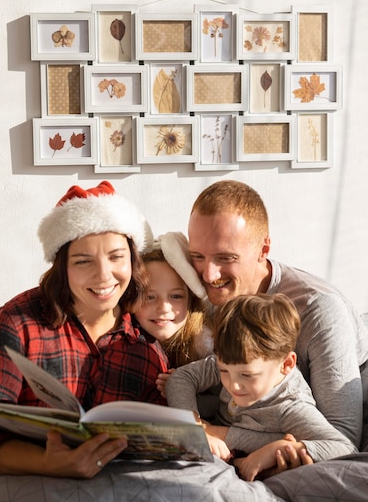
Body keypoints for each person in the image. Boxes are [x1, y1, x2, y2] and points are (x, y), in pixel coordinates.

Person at [0, 181, 169, 483]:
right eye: (83, 261)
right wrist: (47, 464)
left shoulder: (146, 341)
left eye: (116, 257)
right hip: (23, 483)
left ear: (133, 261)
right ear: (62, 267)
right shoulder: (18, 323)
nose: (104, 275)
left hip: (119, 492)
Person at [174, 179, 368, 453]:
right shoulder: (202, 291)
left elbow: (342, 437)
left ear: (263, 250)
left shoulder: (318, 309)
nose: (209, 275)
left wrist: (218, 433)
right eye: (198, 256)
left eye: (226, 258)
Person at [165, 293, 358, 481]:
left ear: (286, 365)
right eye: (224, 371)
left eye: (247, 375)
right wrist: (193, 426)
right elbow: (182, 377)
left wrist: (279, 448)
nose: (233, 384)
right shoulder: (235, 360)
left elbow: (345, 448)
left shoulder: (290, 408)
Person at [134, 234, 215, 408]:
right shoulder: (127, 336)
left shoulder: (203, 343)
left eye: (176, 296)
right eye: (150, 297)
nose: (163, 307)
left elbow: (224, 402)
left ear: (190, 300)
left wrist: (183, 390)